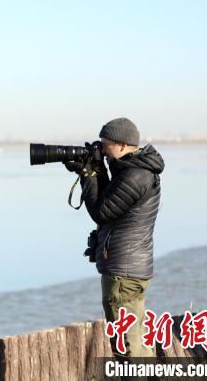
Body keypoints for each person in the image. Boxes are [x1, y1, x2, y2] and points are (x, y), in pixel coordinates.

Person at [66, 118, 165, 360]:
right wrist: (95, 170)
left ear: (122, 144)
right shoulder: (135, 170)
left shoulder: (135, 175)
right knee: (137, 339)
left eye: (105, 145)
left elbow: (102, 212)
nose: (101, 150)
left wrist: (88, 174)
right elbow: (111, 201)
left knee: (127, 346)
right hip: (131, 268)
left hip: (123, 272)